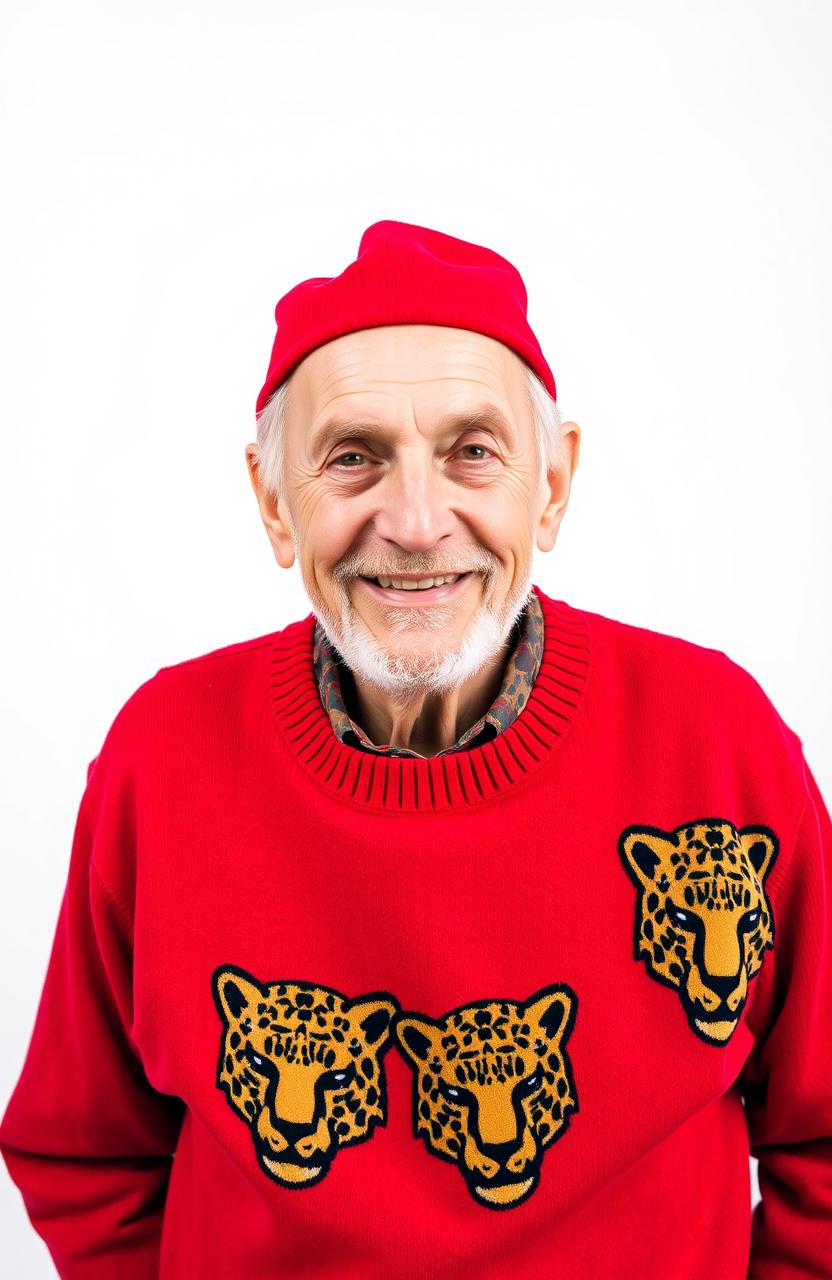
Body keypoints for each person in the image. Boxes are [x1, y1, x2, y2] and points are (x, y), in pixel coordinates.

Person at [1, 219, 829, 1279]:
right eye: (352, 458)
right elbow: (83, 1152)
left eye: (471, 451)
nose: (415, 518)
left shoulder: (718, 742)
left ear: (552, 485)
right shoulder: (161, 759)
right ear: (271, 501)